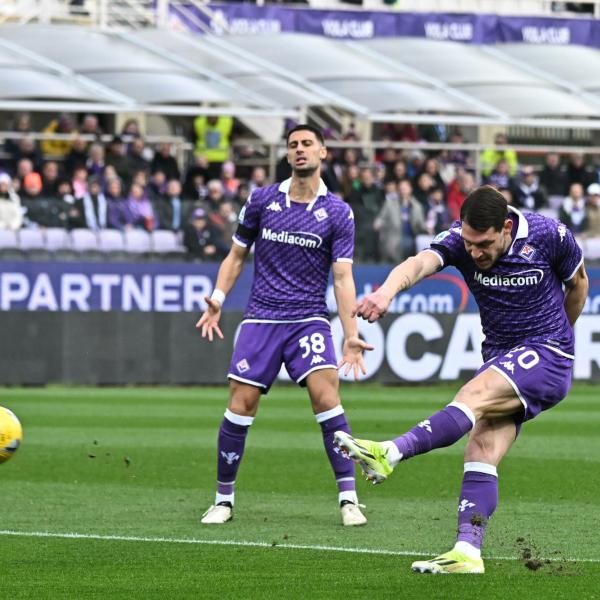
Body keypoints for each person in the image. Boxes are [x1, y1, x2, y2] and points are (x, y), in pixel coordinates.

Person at [334, 185, 588, 574]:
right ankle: (467, 552)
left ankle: (391, 452)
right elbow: (418, 263)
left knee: (473, 393)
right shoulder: (459, 240)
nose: (474, 253)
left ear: (505, 227)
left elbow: (579, 284)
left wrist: (560, 339)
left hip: (547, 351)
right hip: (501, 356)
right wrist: (386, 292)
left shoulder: (548, 235)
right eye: (469, 243)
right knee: (481, 448)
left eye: (483, 244)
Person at [197, 124, 373, 528]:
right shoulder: (261, 200)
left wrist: (350, 335)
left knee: (326, 397)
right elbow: (236, 256)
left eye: (307, 144)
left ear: (323, 152)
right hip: (261, 316)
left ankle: (349, 499)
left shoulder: (339, 212)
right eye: (293, 145)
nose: (299, 150)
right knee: (240, 404)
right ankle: (223, 500)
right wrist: (218, 300)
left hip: (308, 317)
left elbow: (343, 278)